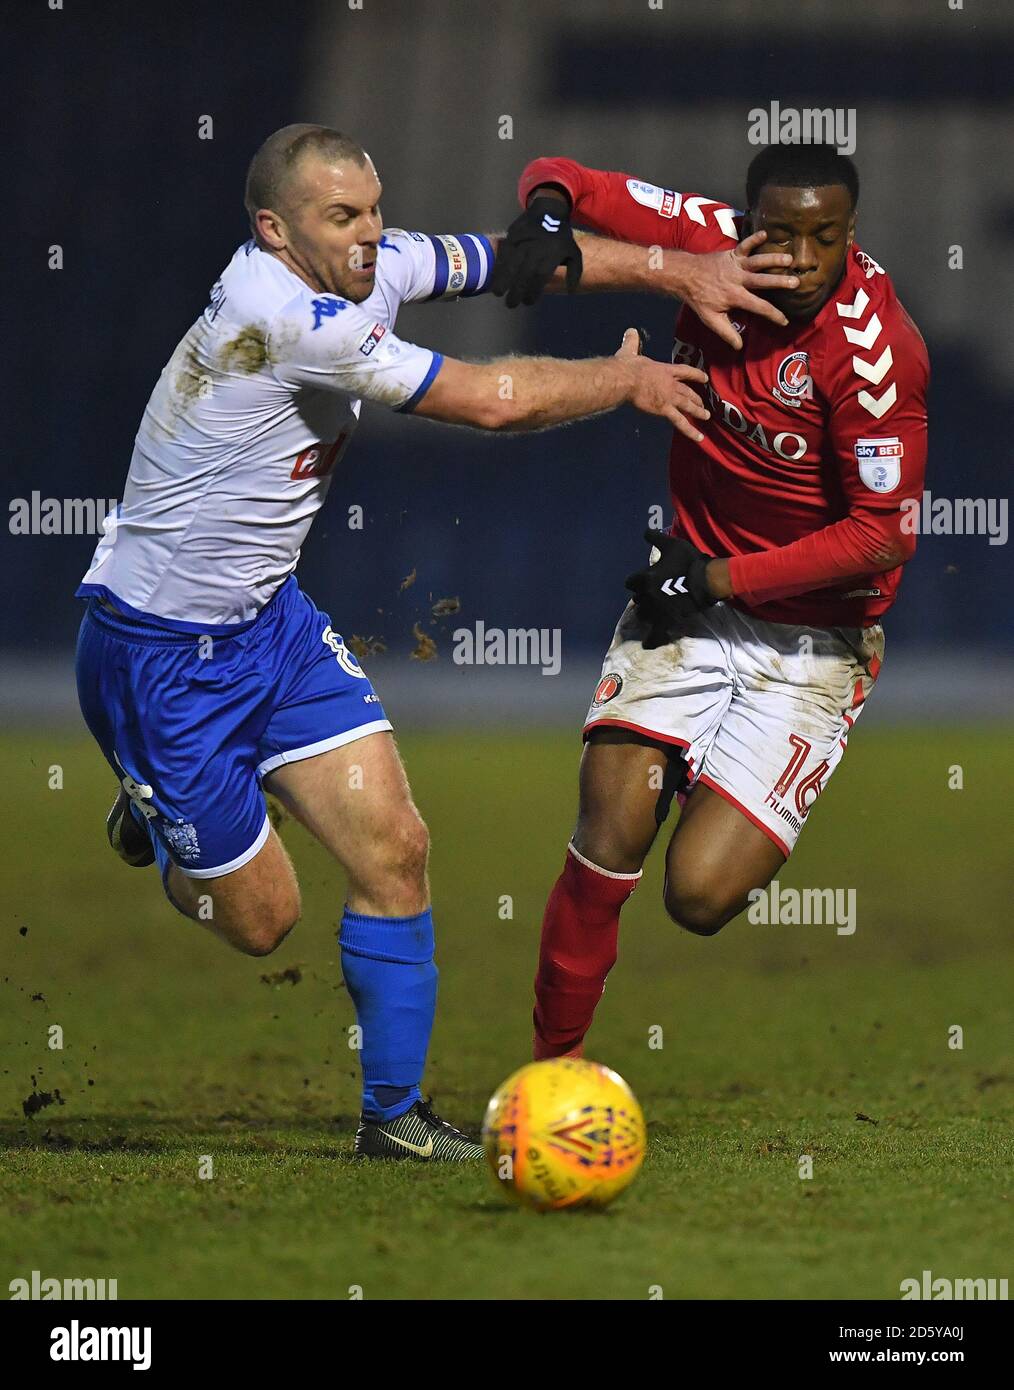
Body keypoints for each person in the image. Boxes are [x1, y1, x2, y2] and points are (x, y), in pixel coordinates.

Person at [75, 124, 788, 1159]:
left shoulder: (370, 263)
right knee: (260, 919)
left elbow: (523, 257)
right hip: (158, 654)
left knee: (397, 845)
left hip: (268, 624)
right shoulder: (284, 317)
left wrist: (682, 271)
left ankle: (393, 1119)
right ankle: (156, 818)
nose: (371, 235)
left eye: (373, 209)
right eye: (342, 217)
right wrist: (626, 382)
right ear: (275, 230)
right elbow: (490, 403)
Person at [493, 145, 929, 1060]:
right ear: (746, 219)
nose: (801, 256)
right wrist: (541, 214)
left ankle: (700, 769)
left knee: (697, 897)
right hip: (689, 597)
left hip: (817, 639)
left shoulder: (875, 354)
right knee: (609, 829)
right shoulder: (709, 244)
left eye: (826, 236)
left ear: (853, 233)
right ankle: (550, 1078)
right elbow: (572, 175)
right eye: (780, 231)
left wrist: (719, 578)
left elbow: (881, 536)